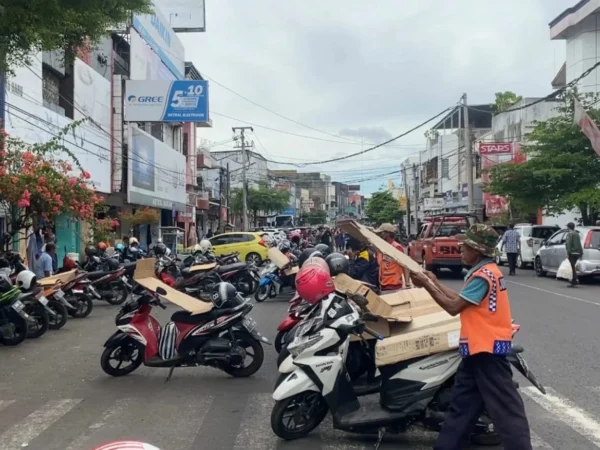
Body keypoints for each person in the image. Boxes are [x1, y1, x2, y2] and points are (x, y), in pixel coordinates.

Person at [410, 224, 531, 450]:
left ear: (476, 251)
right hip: (476, 350)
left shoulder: (483, 276)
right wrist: (434, 282)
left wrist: (426, 284)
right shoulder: (484, 272)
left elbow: (454, 307)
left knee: (506, 410)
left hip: (487, 351)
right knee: (462, 408)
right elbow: (462, 300)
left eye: (464, 247)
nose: (460, 250)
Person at [374, 223, 407, 291]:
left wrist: (407, 283)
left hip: (394, 285)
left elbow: (405, 265)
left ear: (387, 234)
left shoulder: (396, 247)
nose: (379, 235)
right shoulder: (381, 248)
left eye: (381, 233)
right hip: (383, 284)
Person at [565, 222, 582, 288]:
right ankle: (574, 280)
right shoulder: (577, 234)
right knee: (573, 266)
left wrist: (568, 252)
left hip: (572, 252)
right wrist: (581, 252)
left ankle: (575, 280)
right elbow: (579, 243)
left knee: (572, 267)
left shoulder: (570, 234)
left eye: (567, 226)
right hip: (577, 252)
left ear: (569, 227)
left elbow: (569, 243)